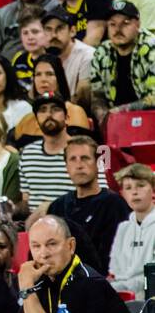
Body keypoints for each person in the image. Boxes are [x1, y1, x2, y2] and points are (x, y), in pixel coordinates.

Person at [12, 215, 132, 313]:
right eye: (36, 246)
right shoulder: (40, 282)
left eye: (52, 244)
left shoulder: (90, 283)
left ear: (71, 246)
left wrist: (26, 287)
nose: (43, 254)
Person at [44, 137, 128, 273]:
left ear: (97, 164)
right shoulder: (57, 207)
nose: (79, 165)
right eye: (73, 159)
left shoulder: (114, 204)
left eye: (85, 158)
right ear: (66, 167)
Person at [17, 97, 84, 213]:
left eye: (55, 109)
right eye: (42, 110)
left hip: (73, 222)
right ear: (36, 122)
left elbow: (98, 196)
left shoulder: (84, 151)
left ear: (67, 119)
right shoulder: (27, 153)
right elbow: (26, 202)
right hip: (35, 225)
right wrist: (12, 208)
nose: (48, 114)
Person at [89, 0, 155, 111]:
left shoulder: (151, 48)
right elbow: (97, 96)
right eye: (112, 24)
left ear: (138, 25)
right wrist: (103, 116)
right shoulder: (102, 52)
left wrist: (122, 110)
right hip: (117, 122)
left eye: (125, 23)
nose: (118, 29)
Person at [109, 164, 155, 299]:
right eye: (128, 188)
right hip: (121, 295)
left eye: (140, 186)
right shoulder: (123, 228)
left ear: (153, 190)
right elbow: (114, 271)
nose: (134, 192)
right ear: (122, 194)